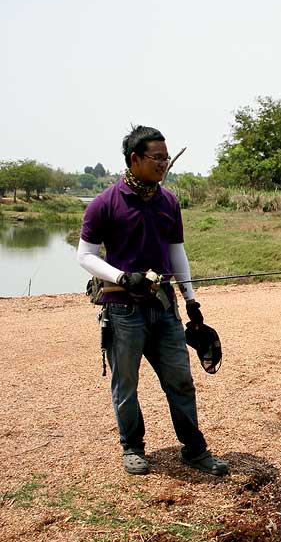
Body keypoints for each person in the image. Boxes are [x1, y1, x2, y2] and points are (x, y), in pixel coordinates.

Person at [77, 124, 228, 478]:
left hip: (165, 308)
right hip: (122, 310)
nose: (164, 164)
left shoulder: (168, 201)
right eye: (157, 157)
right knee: (126, 385)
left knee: (181, 380)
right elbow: (85, 255)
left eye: (166, 157)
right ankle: (132, 447)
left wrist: (191, 301)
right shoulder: (105, 203)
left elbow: (177, 253)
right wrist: (119, 276)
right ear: (134, 159)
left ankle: (194, 449)